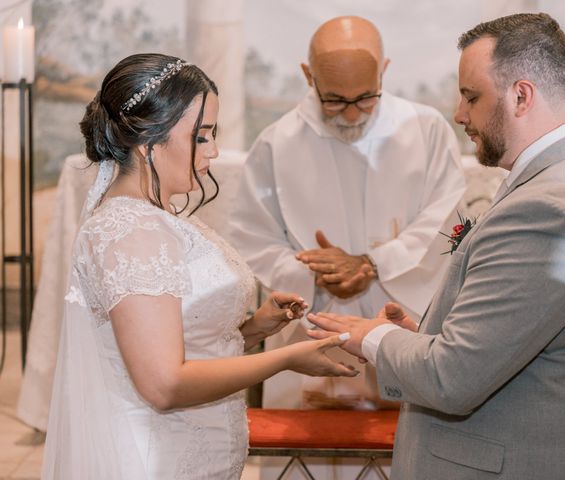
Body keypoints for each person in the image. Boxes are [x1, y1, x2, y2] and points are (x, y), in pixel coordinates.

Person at [308, 13, 565, 479]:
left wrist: (372, 338)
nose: (460, 113)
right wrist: (419, 333)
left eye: (471, 96)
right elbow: (524, 328)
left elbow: (452, 377)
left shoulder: (550, 205)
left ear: (521, 95)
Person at [41, 53, 358, 480]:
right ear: (149, 138)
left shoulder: (160, 218)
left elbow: (173, 343)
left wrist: (251, 330)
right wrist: (286, 358)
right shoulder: (129, 230)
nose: (214, 150)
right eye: (202, 136)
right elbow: (164, 384)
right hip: (153, 459)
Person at [229, 16, 466, 411]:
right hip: (312, 329)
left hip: (399, 326)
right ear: (308, 76)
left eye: (366, 97)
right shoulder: (276, 143)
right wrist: (320, 276)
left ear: (384, 70)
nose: (352, 114)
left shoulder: (427, 130)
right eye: (335, 99)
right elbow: (252, 237)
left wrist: (371, 264)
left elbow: (446, 223)